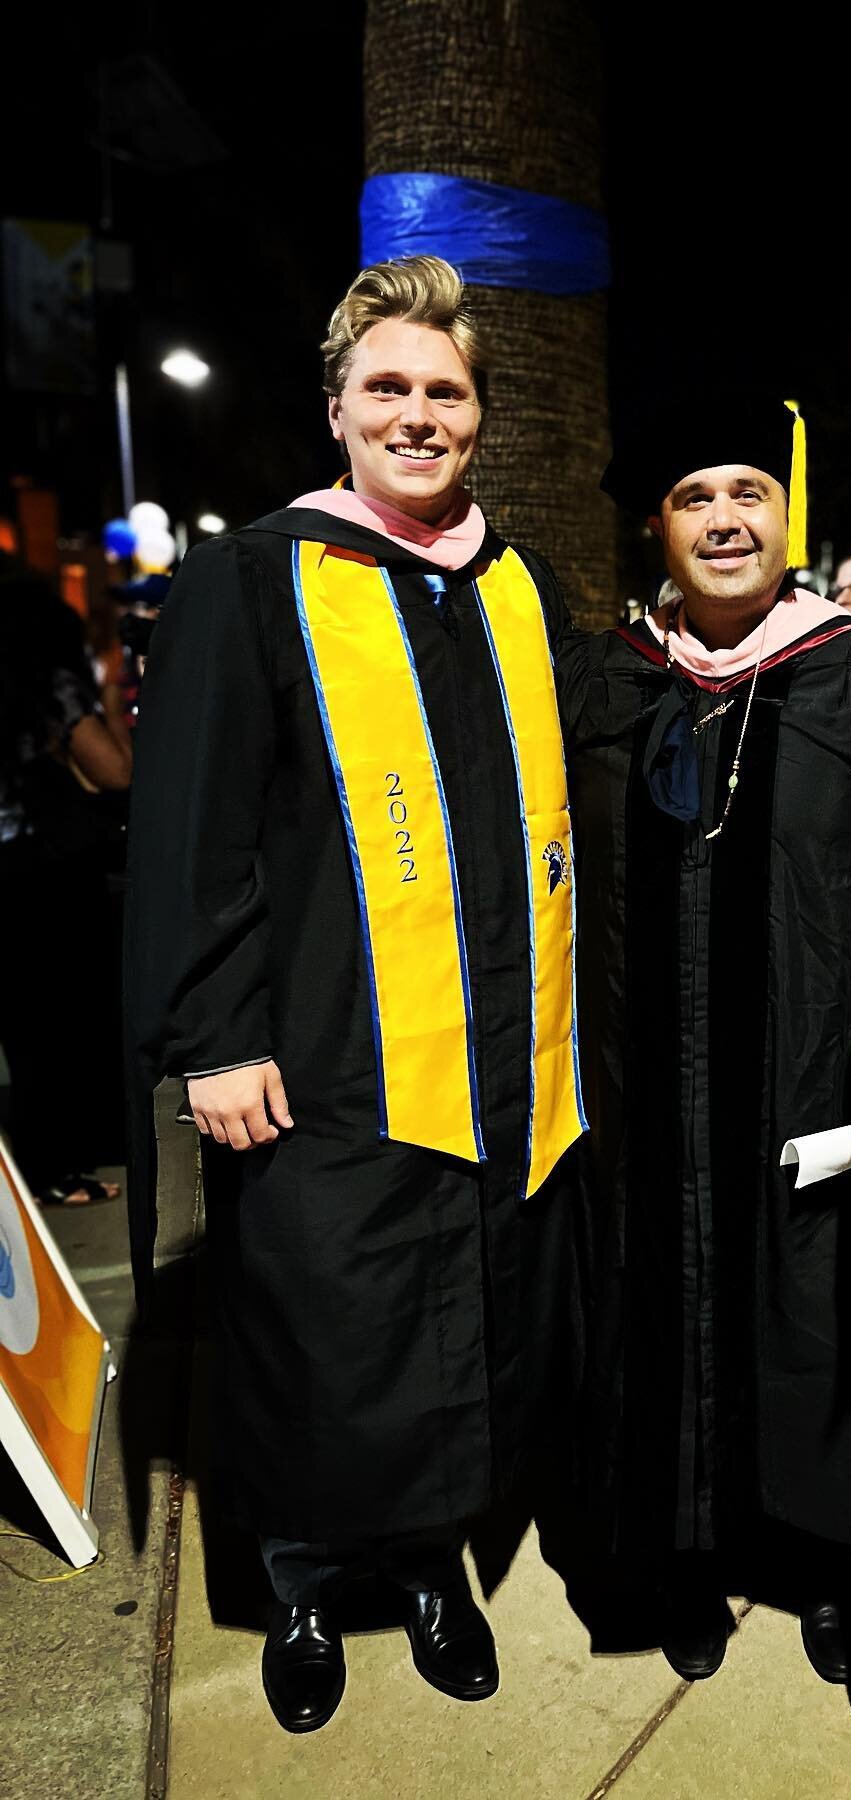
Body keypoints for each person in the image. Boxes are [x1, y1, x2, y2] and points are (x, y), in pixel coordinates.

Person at [124, 255, 586, 1734]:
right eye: (386, 387)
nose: (416, 413)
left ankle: (428, 1569)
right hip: (323, 1051)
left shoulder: (512, 583)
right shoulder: (257, 576)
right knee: (326, 1332)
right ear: (337, 410)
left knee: (455, 1321)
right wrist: (212, 1035)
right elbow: (191, 827)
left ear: (478, 420)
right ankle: (309, 1585)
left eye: (443, 392)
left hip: (496, 1049)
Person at [559, 392, 851, 1684]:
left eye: (749, 494)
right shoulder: (605, 676)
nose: (724, 519)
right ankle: (679, 1564)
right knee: (646, 1302)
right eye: (694, 497)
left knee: (808, 1310)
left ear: (789, 516)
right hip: (638, 1081)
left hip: (801, 1075)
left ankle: (818, 1560)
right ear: (656, 526)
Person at [0, 559, 132, 1205]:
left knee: (22, 1035)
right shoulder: (49, 685)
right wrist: (107, 696)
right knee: (57, 1027)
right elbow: (113, 773)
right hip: (42, 875)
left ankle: (31, 1170)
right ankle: (56, 1167)